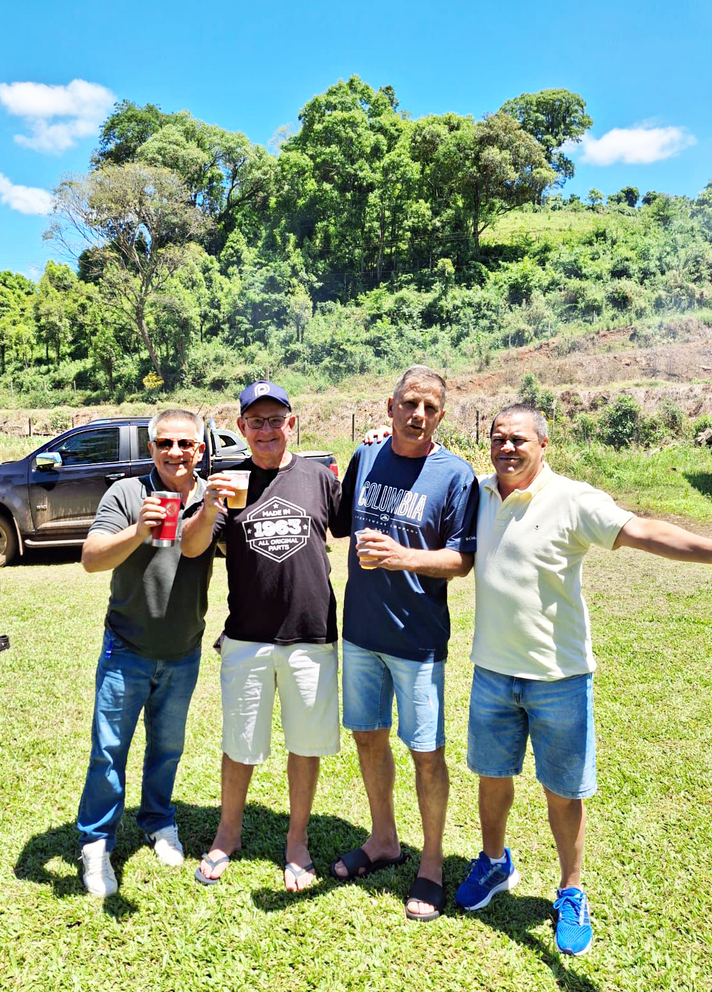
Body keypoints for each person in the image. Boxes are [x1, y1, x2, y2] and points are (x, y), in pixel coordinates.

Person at [455, 403, 712, 956]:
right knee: (493, 777)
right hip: (493, 672)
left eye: (518, 439)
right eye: (498, 438)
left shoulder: (572, 498)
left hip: (559, 678)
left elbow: (642, 531)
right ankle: (495, 862)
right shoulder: (478, 492)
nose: (506, 448)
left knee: (564, 792)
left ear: (543, 445)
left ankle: (571, 890)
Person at [330, 365, 479, 922]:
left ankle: (433, 863)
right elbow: (339, 522)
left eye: (430, 408)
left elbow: (462, 561)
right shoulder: (365, 457)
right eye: (409, 403)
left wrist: (404, 557)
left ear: (441, 415)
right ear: (389, 407)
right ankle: (384, 839)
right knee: (368, 737)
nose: (418, 415)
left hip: (417, 639)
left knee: (426, 751)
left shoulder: (455, 475)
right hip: (361, 632)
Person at [181, 381, 342, 893]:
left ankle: (297, 841)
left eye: (276, 420)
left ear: (291, 423)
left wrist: (379, 450)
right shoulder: (228, 479)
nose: (267, 430)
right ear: (242, 427)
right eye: (257, 422)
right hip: (247, 635)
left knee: (306, 743)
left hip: (310, 634)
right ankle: (227, 835)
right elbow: (192, 548)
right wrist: (209, 505)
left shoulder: (318, 477)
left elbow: (350, 524)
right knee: (239, 742)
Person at [76, 409, 215, 898]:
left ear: (200, 449)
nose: (174, 452)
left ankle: (158, 821)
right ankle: (95, 845)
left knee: (167, 748)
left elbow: (204, 552)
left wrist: (209, 508)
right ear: (150, 447)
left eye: (185, 444)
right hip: (128, 647)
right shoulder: (126, 493)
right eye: (164, 443)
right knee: (109, 751)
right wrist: (137, 530)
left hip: (183, 649)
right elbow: (92, 561)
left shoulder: (212, 496)